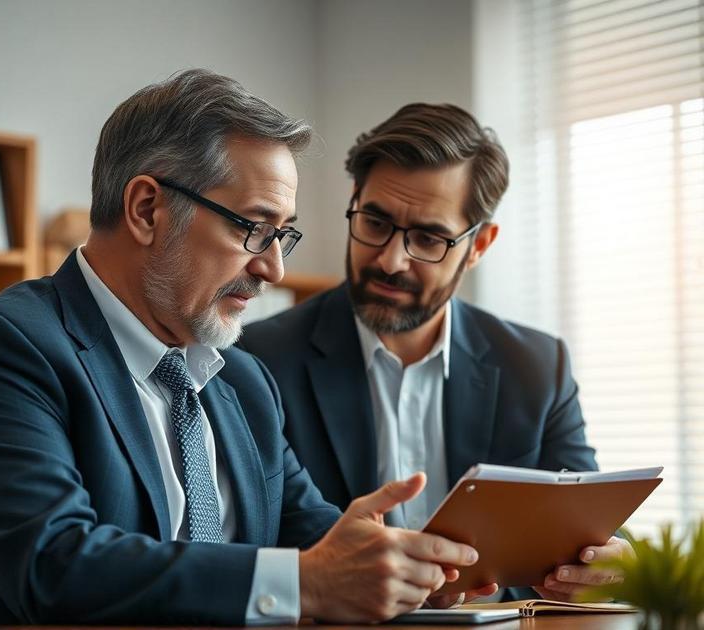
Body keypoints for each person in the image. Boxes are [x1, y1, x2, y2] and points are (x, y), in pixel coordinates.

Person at [0, 72, 488, 629]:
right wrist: (309, 583)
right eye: (252, 228)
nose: (273, 269)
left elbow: (317, 544)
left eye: (282, 234)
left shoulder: (245, 383)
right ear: (147, 209)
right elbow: (54, 566)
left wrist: (409, 571)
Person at [240, 102, 632, 601]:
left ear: (480, 245)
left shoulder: (536, 366)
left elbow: (593, 525)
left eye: (428, 238)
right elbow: (251, 548)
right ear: (354, 201)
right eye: (375, 223)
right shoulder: (258, 360)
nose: (391, 260)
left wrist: (609, 561)